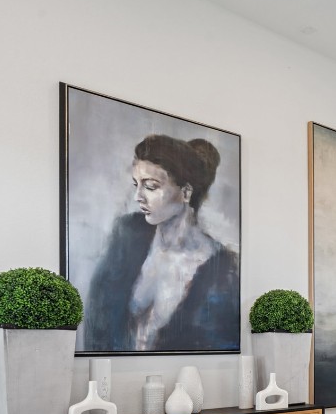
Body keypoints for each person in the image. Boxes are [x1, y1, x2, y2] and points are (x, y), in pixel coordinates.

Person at [84, 134, 239, 353]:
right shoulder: (128, 235)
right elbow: (97, 322)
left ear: (185, 193)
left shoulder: (222, 268)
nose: (138, 196)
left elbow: (216, 343)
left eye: (151, 186)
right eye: (136, 184)